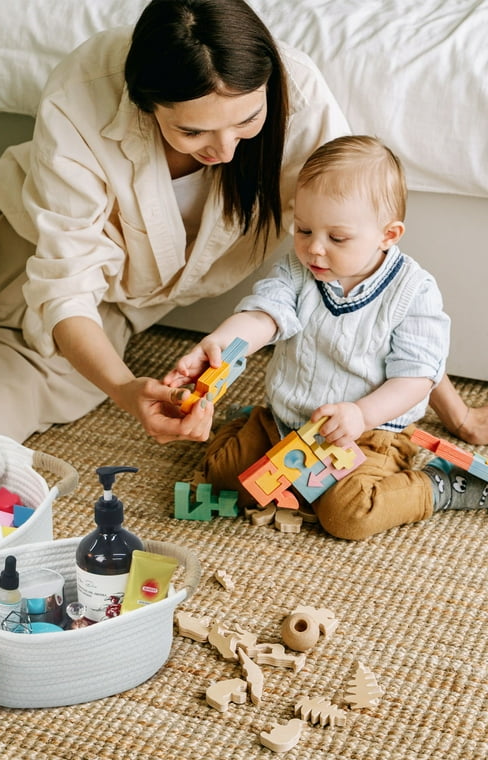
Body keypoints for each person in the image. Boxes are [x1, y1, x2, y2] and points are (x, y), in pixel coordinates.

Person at [0, 0, 479, 496]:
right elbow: (63, 286)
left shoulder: (294, 96)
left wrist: (439, 394)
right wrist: (125, 390)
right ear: (146, 103)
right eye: (192, 130)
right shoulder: (85, 89)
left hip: (84, 332)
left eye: (244, 122)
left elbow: (365, 261)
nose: (224, 147)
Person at [165, 135, 487, 540]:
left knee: (348, 515)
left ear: (388, 235)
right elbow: (264, 315)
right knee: (224, 478)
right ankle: (247, 423)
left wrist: (363, 414)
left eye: (337, 238)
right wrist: (221, 341)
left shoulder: (413, 292)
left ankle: (438, 488)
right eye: (303, 229)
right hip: (286, 421)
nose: (314, 249)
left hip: (372, 433)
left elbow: (418, 376)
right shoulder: (297, 272)